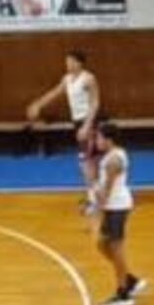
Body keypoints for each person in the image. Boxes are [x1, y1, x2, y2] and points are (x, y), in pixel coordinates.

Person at [26, 50, 102, 212]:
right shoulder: (67, 79)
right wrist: (38, 104)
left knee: (86, 161)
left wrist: (87, 125)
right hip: (77, 122)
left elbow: (95, 103)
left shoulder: (88, 79)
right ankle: (94, 195)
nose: (67, 64)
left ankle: (95, 200)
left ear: (79, 63)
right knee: (88, 161)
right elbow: (55, 93)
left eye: (70, 61)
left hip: (88, 121)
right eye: (66, 61)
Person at [90, 118, 144, 305]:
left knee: (116, 247)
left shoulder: (114, 160)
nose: (96, 140)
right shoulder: (112, 156)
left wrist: (96, 210)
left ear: (108, 139)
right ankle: (129, 279)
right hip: (114, 206)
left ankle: (123, 293)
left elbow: (107, 189)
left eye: (98, 137)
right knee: (102, 245)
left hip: (116, 207)